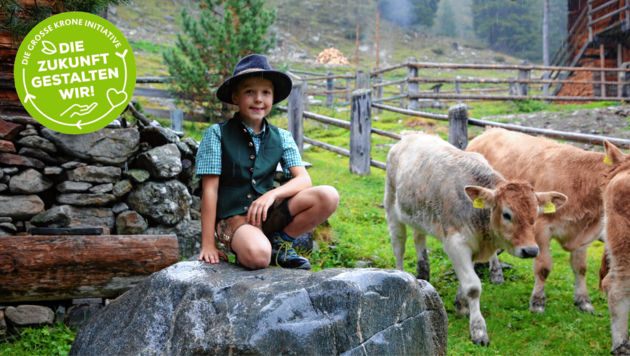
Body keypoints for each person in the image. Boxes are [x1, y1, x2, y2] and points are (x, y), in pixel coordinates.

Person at [195, 54, 339, 270]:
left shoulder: (282, 137)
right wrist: (208, 244)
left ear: (272, 98)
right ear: (235, 97)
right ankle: (256, 246)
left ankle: (279, 242)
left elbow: (303, 180)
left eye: (266, 92)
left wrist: (271, 195)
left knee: (328, 196)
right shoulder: (217, 134)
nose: (258, 99)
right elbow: (210, 191)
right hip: (233, 218)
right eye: (249, 91)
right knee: (259, 256)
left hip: (267, 213)